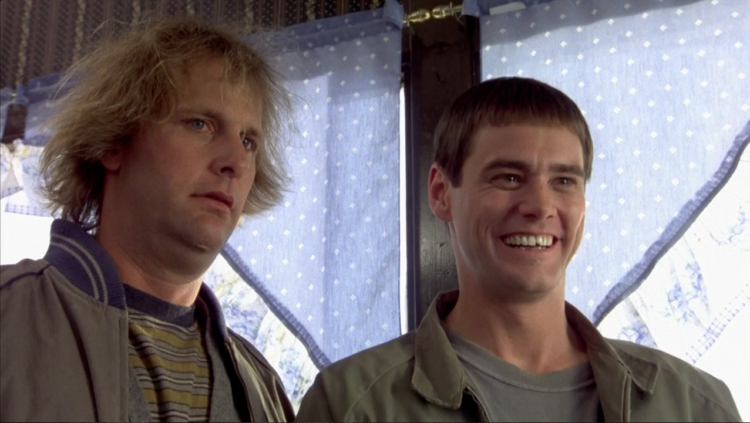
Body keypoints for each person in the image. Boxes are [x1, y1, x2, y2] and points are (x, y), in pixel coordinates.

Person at [296, 77, 741, 422]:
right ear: (441, 193)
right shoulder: (352, 404)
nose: (540, 206)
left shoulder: (695, 404)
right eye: (508, 177)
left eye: (564, 181)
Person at [0, 17, 295, 422]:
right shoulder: (8, 318)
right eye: (200, 124)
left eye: (248, 141)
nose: (236, 162)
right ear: (114, 144)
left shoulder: (265, 390)